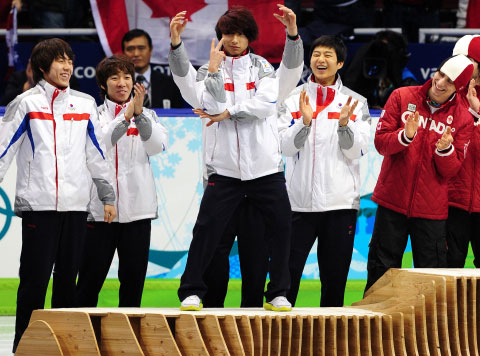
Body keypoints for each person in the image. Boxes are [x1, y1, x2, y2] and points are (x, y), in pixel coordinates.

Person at [170, 6, 294, 312]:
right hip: (224, 170)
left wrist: (229, 113)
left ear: (249, 36)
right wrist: (189, 55)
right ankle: (192, 291)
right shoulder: (207, 70)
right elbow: (202, 100)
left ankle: (278, 292)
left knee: (281, 228)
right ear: (220, 36)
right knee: (206, 231)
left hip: (265, 169)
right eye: (228, 34)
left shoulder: (263, 67)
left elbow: (267, 103)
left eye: (240, 34)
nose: (234, 40)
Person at [0, 38, 116, 353]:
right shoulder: (25, 103)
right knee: (34, 281)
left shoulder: (84, 103)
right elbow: (3, 150)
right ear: (42, 67)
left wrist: (107, 195)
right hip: (39, 206)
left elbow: (97, 154)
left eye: (69, 60)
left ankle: (63, 346)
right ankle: (24, 345)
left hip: (77, 207)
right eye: (59, 61)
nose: (66, 67)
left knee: (67, 282)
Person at [365, 54, 475, 292]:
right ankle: (376, 326)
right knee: (380, 272)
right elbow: (381, 143)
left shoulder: (463, 119)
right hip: (392, 201)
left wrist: (444, 151)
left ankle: (428, 330)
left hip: (431, 212)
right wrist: (405, 136)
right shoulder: (402, 96)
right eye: (441, 73)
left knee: (430, 280)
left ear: (460, 87)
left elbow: (452, 170)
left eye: (450, 81)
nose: (441, 82)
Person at [278, 36, 370, 307]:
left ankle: (333, 339)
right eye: (316, 54)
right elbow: (283, 146)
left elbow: (357, 150)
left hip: (340, 205)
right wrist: (303, 123)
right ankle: (279, 336)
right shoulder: (291, 99)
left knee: (334, 279)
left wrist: (344, 126)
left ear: (340, 63)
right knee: (286, 278)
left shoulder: (355, 102)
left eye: (328, 55)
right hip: (298, 204)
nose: (320, 59)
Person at [76, 55, 168, 308]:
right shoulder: (92, 115)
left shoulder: (148, 114)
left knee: (133, 281)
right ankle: (82, 338)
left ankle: (129, 339)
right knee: (89, 280)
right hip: (99, 212)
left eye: (127, 77)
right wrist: (126, 116)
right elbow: (103, 143)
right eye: (114, 77)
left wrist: (139, 117)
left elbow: (157, 146)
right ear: (103, 84)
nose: (122, 83)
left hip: (138, 211)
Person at [446, 35, 480, 268]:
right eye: (458, 59)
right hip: (451, 201)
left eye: (469, 60)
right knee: (449, 266)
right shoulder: (445, 97)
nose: (463, 65)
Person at [122, 29, 183, 109]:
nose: (136, 54)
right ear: (123, 53)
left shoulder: (170, 84)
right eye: (130, 49)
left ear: (150, 50)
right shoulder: (118, 84)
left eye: (141, 48)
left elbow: (179, 117)